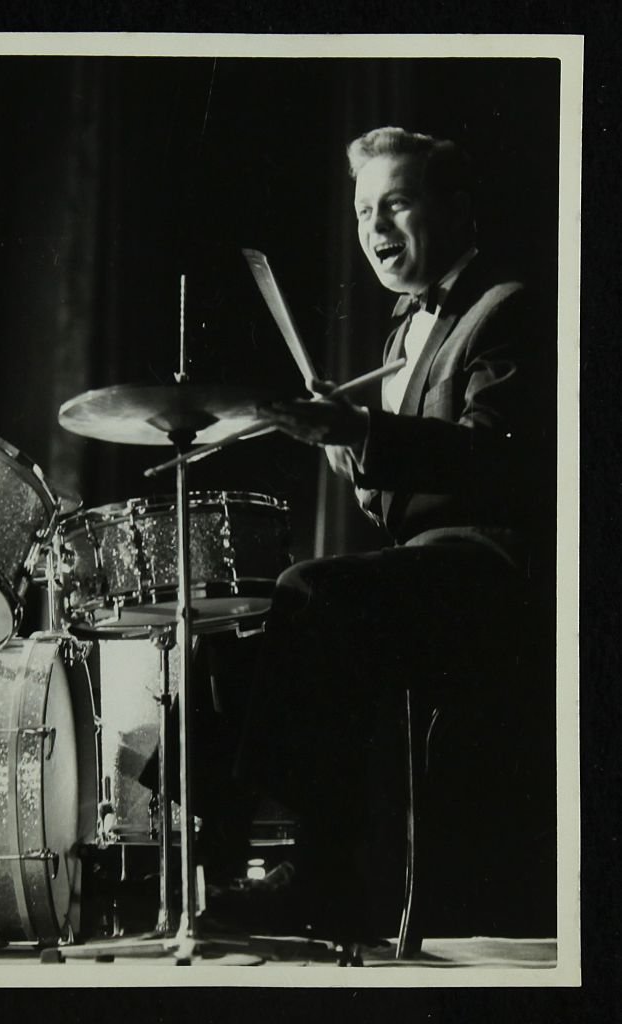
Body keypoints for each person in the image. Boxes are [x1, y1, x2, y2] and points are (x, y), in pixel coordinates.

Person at [201, 126, 556, 942]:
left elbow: (492, 460)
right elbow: (398, 502)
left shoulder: (508, 306)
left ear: (457, 209)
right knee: (231, 633)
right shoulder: (403, 332)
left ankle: (320, 874)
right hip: (428, 563)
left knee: (314, 590)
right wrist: (346, 449)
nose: (376, 230)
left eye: (396, 204)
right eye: (364, 213)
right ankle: (232, 853)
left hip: (498, 567)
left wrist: (361, 429)